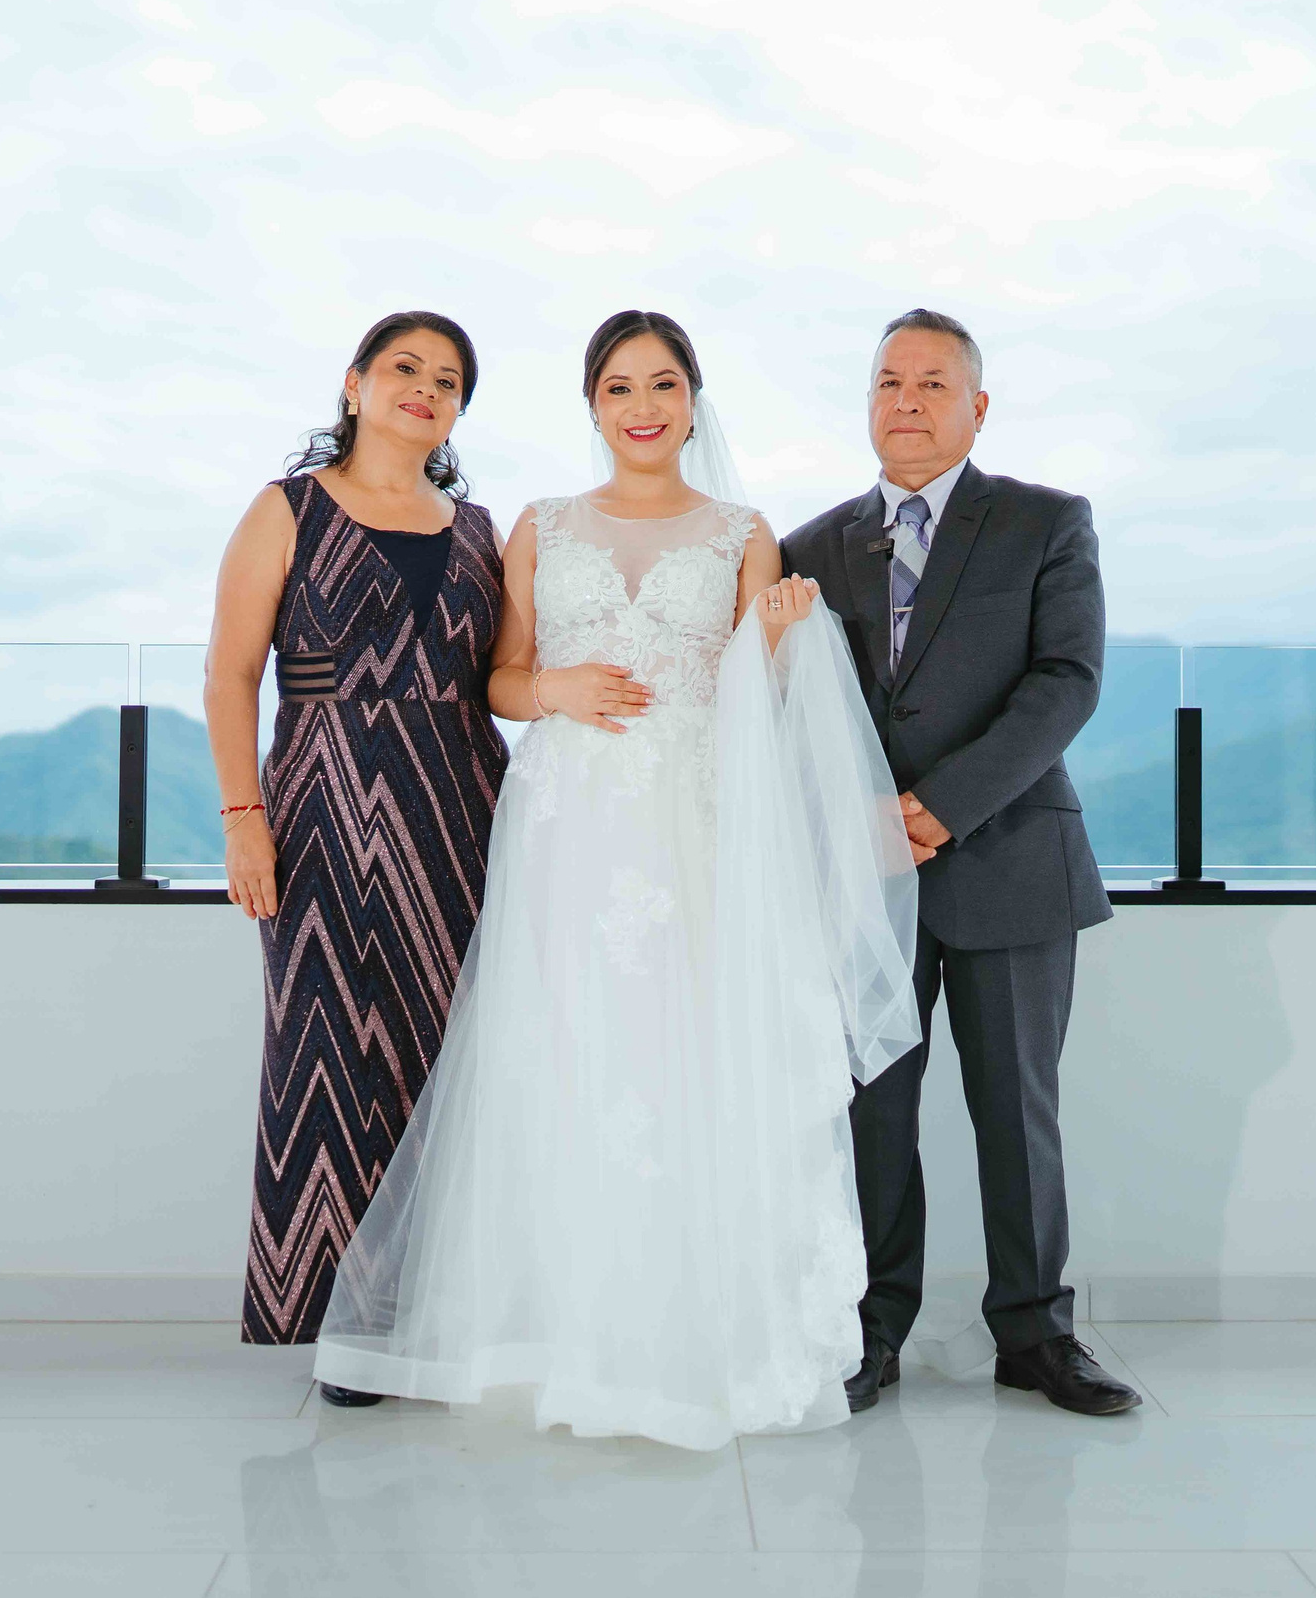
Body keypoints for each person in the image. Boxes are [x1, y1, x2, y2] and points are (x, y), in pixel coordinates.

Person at [312, 311, 922, 1449]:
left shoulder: (743, 533)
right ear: (592, 406)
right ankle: (558, 1334)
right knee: (565, 1050)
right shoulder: (541, 526)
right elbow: (499, 677)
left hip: (695, 822)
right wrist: (556, 691)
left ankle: (692, 1333)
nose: (643, 406)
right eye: (619, 388)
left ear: (694, 401)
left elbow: (761, 703)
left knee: (686, 1053)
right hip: (569, 826)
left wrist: (785, 632)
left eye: (663, 384)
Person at [781, 309, 1142, 1417]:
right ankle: (868, 1329)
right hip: (861, 878)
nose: (907, 400)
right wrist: (856, 822)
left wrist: (936, 809)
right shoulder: (808, 549)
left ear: (977, 408)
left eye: (933, 383)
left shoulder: (1045, 522)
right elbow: (790, 709)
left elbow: (1067, 681)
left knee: (1016, 1111)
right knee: (870, 1113)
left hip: (1010, 858)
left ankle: (1036, 1335)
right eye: (888, 381)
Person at [204, 312, 510, 1382]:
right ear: (355, 383)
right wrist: (243, 818)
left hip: (461, 810)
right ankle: (338, 1326)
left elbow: (501, 676)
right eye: (405, 368)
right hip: (320, 806)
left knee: (448, 1060)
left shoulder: (480, 530)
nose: (425, 388)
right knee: (325, 1055)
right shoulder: (286, 508)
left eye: (448, 379)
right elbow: (229, 674)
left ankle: (430, 1312)